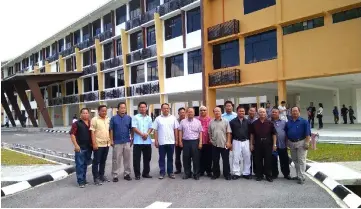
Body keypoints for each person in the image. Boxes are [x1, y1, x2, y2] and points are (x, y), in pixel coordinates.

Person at [250, 108, 277, 182]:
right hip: (258, 144)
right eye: (260, 112)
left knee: (268, 160)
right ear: (258, 114)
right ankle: (259, 175)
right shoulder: (254, 123)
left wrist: (274, 144)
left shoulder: (270, 123)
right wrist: (251, 144)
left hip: (267, 144)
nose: (262, 113)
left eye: (263, 112)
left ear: (266, 113)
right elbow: (252, 135)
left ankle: (268, 175)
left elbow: (274, 134)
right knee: (258, 160)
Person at [286, 106, 311, 185]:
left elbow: (308, 134)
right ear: (291, 112)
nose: (294, 112)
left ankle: (302, 176)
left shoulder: (304, 122)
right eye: (293, 111)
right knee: (295, 160)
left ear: (299, 112)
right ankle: (298, 175)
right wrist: (287, 143)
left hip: (301, 142)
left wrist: (307, 143)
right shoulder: (288, 122)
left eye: (296, 111)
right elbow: (286, 133)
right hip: (291, 143)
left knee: (301, 160)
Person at [153, 103, 179, 179]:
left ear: (169, 109)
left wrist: (176, 140)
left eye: (167, 108)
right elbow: (156, 130)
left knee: (170, 158)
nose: (166, 110)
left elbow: (176, 129)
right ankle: (162, 172)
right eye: (164, 108)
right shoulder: (158, 118)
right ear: (161, 109)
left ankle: (170, 172)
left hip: (171, 141)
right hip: (162, 142)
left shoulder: (173, 118)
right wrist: (156, 140)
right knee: (161, 158)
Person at [109, 102, 133, 182]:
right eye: (121, 108)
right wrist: (111, 140)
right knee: (116, 159)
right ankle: (115, 175)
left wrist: (132, 138)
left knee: (127, 159)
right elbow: (111, 130)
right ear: (118, 109)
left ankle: (127, 174)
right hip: (117, 142)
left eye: (124, 108)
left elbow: (131, 129)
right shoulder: (113, 118)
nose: (123, 109)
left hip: (126, 141)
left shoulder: (129, 118)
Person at [69, 108, 92, 188]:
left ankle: (84, 179)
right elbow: (72, 134)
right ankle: (80, 181)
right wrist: (76, 145)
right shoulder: (76, 123)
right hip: (80, 148)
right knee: (79, 165)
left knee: (85, 164)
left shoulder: (90, 123)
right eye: (84, 113)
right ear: (80, 114)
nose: (85, 114)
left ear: (89, 114)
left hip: (89, 147)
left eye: (87, 113)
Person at [178, 107, 203, 180]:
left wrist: (200, 142)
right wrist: (180, 141)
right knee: (186, 158)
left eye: (192, 112)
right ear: (186, 113)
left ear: (194, 113)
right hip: (185, 142)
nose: (190, 113)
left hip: (195, 141)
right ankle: (187, 173)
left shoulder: (198, 122)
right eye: (189, 112)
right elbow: (180, 131)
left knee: (196, 159)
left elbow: (200, 132)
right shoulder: (183, 122)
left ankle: (196, 174)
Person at [209, 107, 232, 180]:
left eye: (218, 111)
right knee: (215, 160)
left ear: (221, 112)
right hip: (214, 144)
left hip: (224, 144)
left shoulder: (226, 121)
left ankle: (227, 174)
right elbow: (210, 132)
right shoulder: (211, 122)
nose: (217, 112)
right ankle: (216, 174)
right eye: (215, 111)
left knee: (226, 160)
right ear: (213, 112)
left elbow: (228, 132)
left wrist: (228, 142)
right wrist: (211, 140)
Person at [90, 105, 111, 185]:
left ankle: (101, 175)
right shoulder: (94, 119)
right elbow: (92, 132)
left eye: (105, 111)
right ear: (98, 111)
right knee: (96, 162)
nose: (104, 112)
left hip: (106, 144)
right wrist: (94, 143)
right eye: (102, 111)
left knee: (103, 161)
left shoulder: (108, 119)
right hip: (98, 144)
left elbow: (109, 131)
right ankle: (96, 178)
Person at [132, 102, 153, 180]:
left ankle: (146, 173)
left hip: (147, 141)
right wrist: (142, 134)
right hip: (138, 142)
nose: (142, 108)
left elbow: (151, 127)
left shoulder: (149, 118)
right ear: (138, 108)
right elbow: (134, 128)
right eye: (141, 107)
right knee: (136, 159)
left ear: (146, 108)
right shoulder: (135, 117)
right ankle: (137, 174)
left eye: (144, 107)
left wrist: (147, 134)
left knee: (147, 158)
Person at [229, 106, 251, 180]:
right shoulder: (232, 122)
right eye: (240, 111)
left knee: (247, 157)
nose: (241, 112)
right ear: (237, 112)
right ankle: (236, 173)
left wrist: (251, 143)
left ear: (245, 112)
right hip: (236, 141)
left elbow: (250, 133)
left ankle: (246, 173)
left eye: (243, 111)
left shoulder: (248, 121)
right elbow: (230, 133)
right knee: (236, 157)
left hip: (246, 141)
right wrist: (230, 143)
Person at [270, 108, 291, 180]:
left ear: (279, 113)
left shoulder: (284, 122)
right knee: (273, 160)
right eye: (273, 112)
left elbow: (287, 133)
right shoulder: (269, 122)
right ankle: (274, 174)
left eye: (275, 112)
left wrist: (287, 143)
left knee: (284, 160)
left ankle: (286, 174)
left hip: (282, 145)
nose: (274, 113)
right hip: (272, 145)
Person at [197, 106, 212, 177]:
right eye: (201, 110)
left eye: (204, 110)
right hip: (199, 141)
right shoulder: (196, 120)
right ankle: (201, 171)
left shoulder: (210, 120)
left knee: (209, 157)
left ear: (207, 111)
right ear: (199, 111)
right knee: (200, 157)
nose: (203, 111)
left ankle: (209, 171)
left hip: (208, 141)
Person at [175, 107, 186, 174]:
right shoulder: (176, 121)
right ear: (178, 113)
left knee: (186, 156)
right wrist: (177, 140)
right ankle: (178, 169)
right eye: (181, 112)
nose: (182, 114)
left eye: (183, 112)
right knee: (177, 156)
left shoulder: (188, 120)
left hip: (186, 141)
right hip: (177, 141)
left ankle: (186, 169)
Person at [248, 107, 258, 176]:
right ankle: (248, 172)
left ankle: (256, 171)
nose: (252, 112)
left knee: (256, 157)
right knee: (248, 157)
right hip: (246, 141)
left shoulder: (257, 120)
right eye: (250, 111)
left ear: (255, 112)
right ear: (248, 112)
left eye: (253, 111)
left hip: (256, 141)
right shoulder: (245, 120)